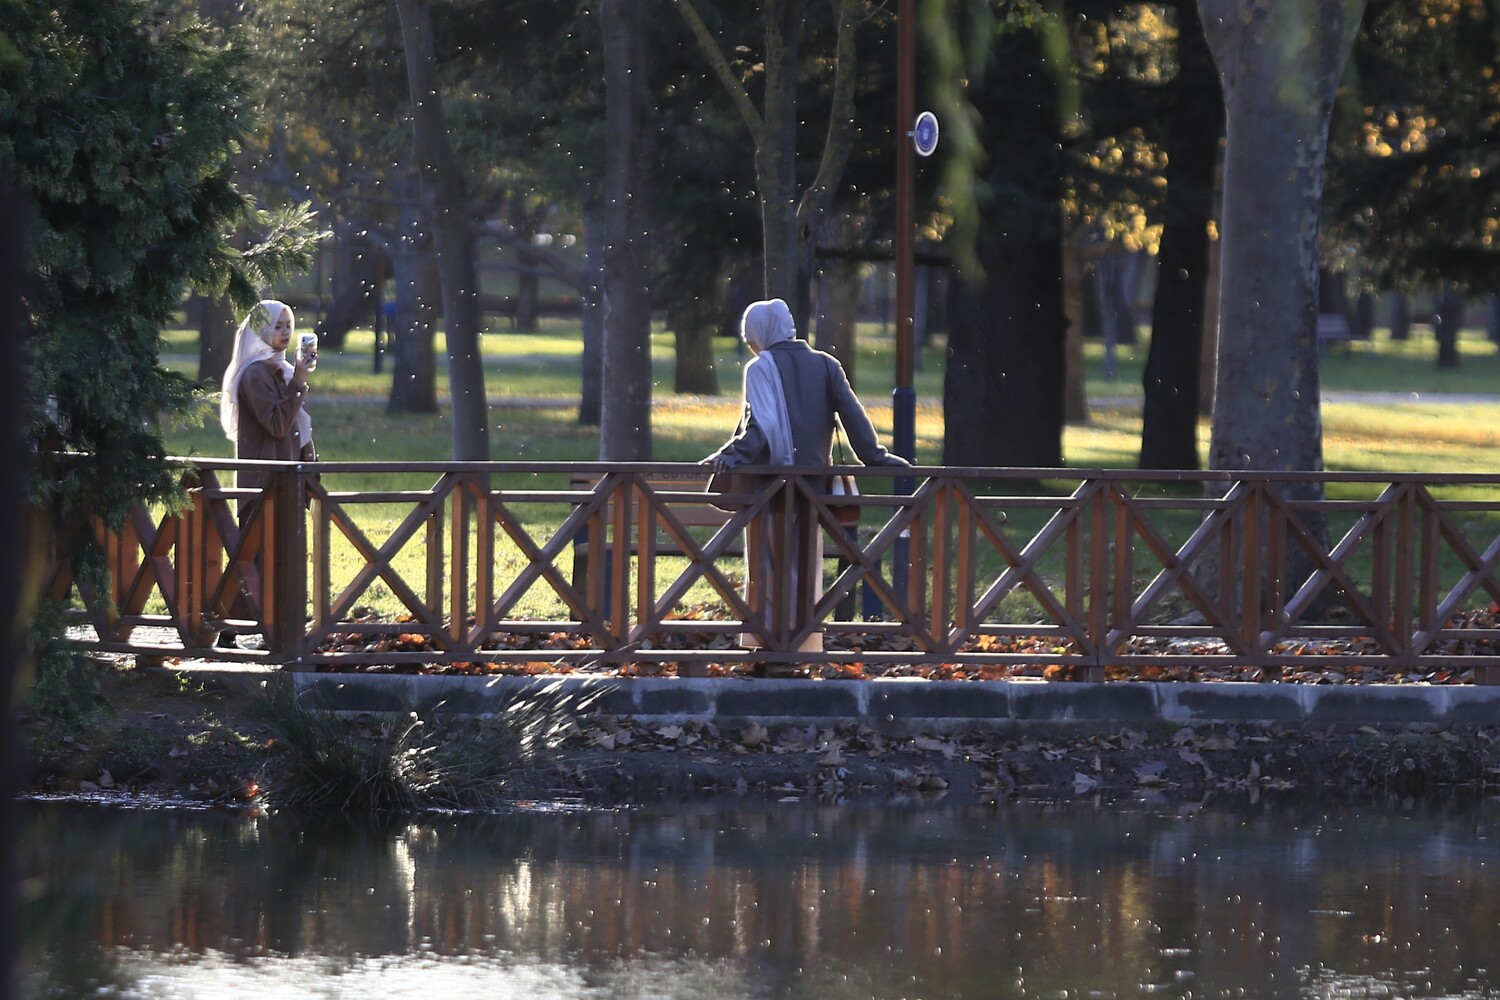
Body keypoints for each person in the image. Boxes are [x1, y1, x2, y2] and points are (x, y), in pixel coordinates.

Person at [703, 298, 909, 654]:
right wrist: (876, 458)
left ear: (761, 331)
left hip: (770, 489)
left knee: (769, 566)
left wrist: (730, 457)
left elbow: (759, 430)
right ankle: (803, 641)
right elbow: (853, 417)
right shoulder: (827, 365)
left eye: (749, 335)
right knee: (804, 565)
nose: (750, 343)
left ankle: (769, 643)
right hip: (813, 488)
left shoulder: (759, 368)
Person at [215, 299, 317, 646]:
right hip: (263, 481)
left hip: (287, 479)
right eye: (278, 325)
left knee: (280, 556)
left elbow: (298, 431)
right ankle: (228, 626)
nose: (286, 332)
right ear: (260, 330)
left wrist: (311, 472)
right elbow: (276, 424)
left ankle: (276, 629)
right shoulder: (255, 374)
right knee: (254, 558)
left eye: (289, 325)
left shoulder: (282, 370)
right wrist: (299, 382)